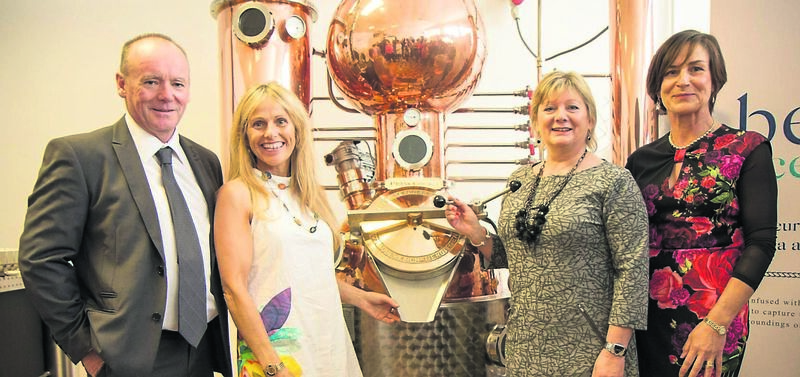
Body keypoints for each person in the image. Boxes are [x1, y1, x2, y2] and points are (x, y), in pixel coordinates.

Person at [17, 34, 232, 377]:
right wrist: (86, 350)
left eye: (178, 83)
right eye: (151, 81)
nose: (167, 95)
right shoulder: (80, 157)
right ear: (122, 83)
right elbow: (41, 260)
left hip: (204, 349)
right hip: (127, 358)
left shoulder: (206, 162)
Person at [445, 71, 649, 376]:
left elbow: (632, 270)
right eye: (550, 108)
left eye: (572, 107)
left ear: (590, 119)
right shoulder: (520, 180)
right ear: (536, 120)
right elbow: (515, 257)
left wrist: (615, 350)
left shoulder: (613, 182)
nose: (560, 117)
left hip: (590, 348)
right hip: (526, 345)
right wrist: (476, 232)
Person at [214, 82, 400, 377]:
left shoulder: (307, 196)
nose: (270, 133)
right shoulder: (237, 194)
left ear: (296, 130)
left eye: (280, 121)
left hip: (327, 343)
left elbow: (301, 276)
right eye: (258, 124)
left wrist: (360, 298)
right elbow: (234, 289)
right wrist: (273, 366)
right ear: (244, 136)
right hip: (278, 355)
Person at [625, 30, 777, 377]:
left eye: (696, 69)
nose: (683, 81)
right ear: (658, 86)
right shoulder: (640, 160)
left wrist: (717, 325)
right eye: (671, 72)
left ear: (714, 79)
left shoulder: (747, 148)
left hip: (714, 314)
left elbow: (761, 244)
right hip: (645, 316)